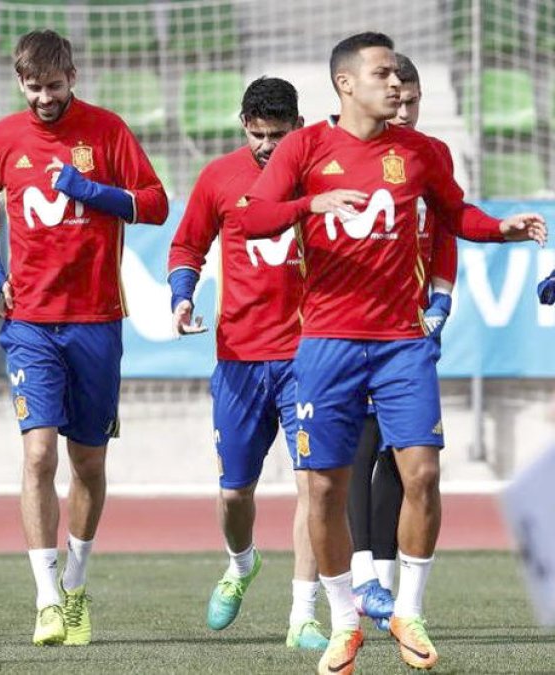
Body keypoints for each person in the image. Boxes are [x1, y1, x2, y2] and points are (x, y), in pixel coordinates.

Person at [238, 32, 546, 674]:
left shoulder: (423, 152)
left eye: (399, 76)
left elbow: (457, 216)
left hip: (403, 341)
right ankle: (346, 622)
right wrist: (309, 202)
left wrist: (501, 229)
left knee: (424, 474)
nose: (396, 85)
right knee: (323, 487)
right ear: (346, 83)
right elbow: (255, 220)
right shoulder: (304, 146)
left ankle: (408, 611)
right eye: (383, 74)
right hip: (326, 343)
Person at [0, 29, 168, 646]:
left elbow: (156, 204)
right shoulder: (1, 138)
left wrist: (91, 191)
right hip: (29, 323)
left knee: (89, 463)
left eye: (54, 85)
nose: (44, 97)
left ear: (72, 76)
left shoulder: (106, 131)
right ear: (19, 81)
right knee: (37, 455)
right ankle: (47, 597)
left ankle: (76, 584)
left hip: (97, 319)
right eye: (34, 86)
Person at [167, 76, 328, 650]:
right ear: (243, 125)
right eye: (257, 133)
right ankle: (241, 564)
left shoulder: (323, 175)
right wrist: (181, 295)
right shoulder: (219, 177)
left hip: (309, 357)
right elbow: (187, 246)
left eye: (277, 135)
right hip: (238, 357)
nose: (265, 145)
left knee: (315, 485)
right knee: (235, 493)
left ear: (298, 128)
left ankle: (303, 614)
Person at [345, 53, 459, 632]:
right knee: (355, 450)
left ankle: (385, 590)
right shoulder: (342, 150)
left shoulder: (430, 156)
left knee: (406, 457)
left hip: (409, 332)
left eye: (415, 100)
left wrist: (440, 297)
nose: (406, 108)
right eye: (399, 96)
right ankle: (359, 577)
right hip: (349, 329)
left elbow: (446, 233)